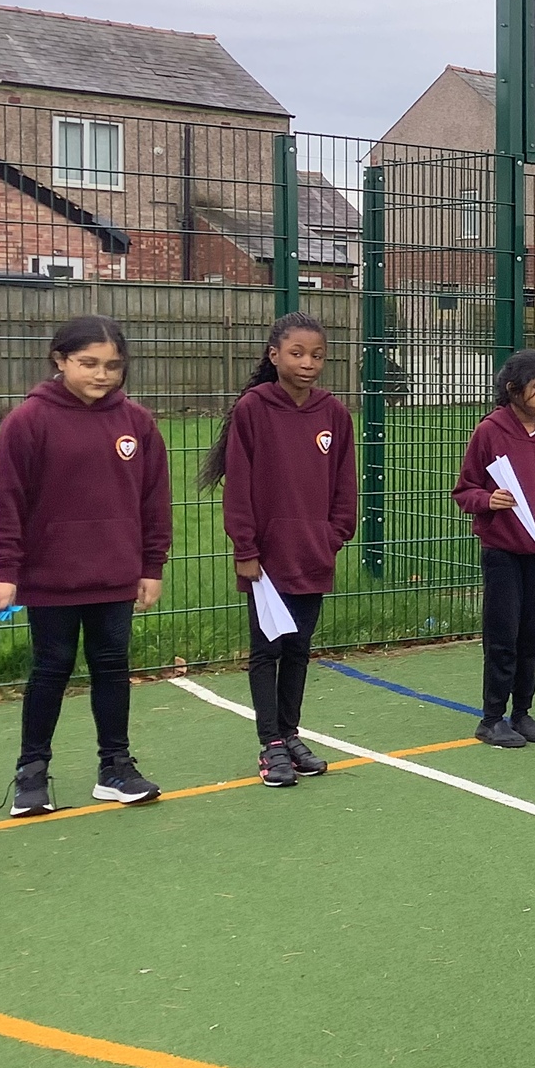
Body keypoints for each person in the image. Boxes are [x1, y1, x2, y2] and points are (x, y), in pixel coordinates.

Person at [0, 317, 170, 818]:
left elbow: (155, 501)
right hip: (50, 579)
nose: (101, 374)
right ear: (60, 360)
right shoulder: (28, 421)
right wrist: (3, 569)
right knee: (51, 668)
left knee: (112, 667)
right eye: (88, 363)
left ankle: (115, 768)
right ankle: (31, 772)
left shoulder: (138, 423)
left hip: (116, 578)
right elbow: (5, 501)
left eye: (112, 365)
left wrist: (151, 566)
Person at [200, 312, 357, 788]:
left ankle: (290, 735)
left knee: (298, 650)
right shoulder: (253, 409)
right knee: (267, 650)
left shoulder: (334, 414)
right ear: (274, 356)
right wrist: (246, 549)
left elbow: (344, 486)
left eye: (317, 355)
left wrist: (333, 536)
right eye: (297, 353)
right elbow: (239, 487)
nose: (308, 363)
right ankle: (270, 745)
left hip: (314, 555)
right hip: (265, 562)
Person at [453, 349, 535, 748]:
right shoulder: (490, 432)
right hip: (502, 553)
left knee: (532, 635)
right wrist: (488, 500)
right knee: (502, 635)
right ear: (513, 389)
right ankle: (492, 718)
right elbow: (465, 490)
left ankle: (522, 712)